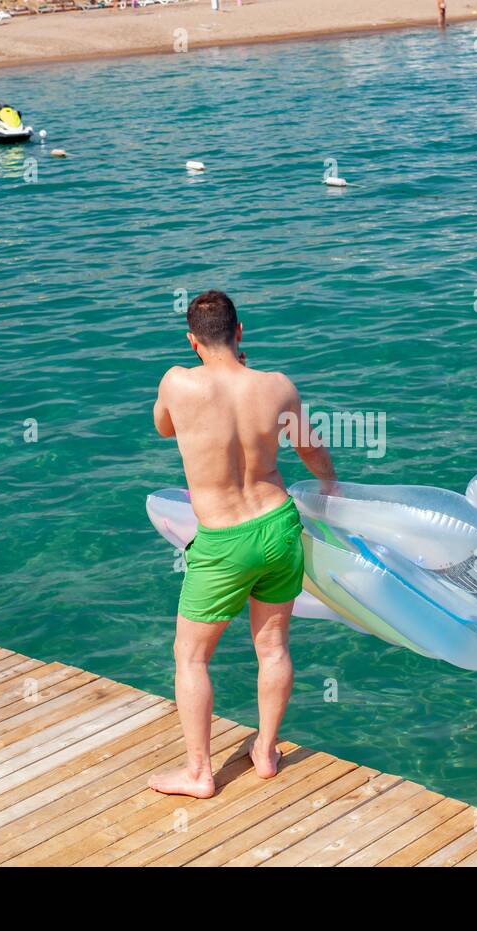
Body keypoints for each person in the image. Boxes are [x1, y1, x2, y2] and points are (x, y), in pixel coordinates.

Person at [149, 290, 337, 799]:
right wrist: (332, 489)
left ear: (192, 340)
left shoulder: (176, 382)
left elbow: (163, 427)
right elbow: (310, 450)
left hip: (223, 540)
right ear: (240, 332)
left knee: (190, 658)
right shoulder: (277, 386)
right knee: (273, 646)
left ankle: (198, 773)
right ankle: (266, 751)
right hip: (278, 525)